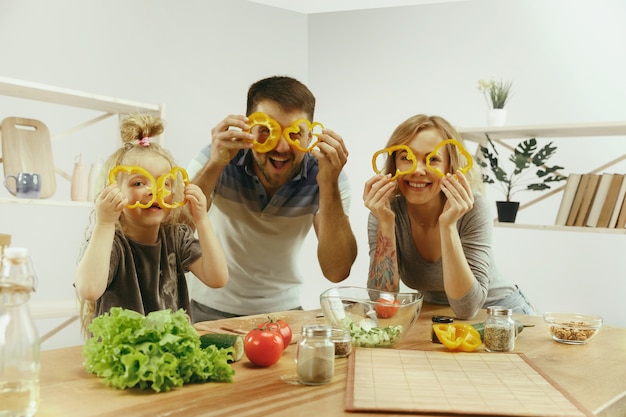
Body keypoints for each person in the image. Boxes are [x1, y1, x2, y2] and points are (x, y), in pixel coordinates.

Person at [187, 75, 358, 322]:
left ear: (310, 136)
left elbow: (337, 271)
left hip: (284, 311)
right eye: (267, 131)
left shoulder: (329, 175)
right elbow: (177, 230)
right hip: (208, 306)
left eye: (294, 134)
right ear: (248, 128)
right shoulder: (217, 156)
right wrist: (215, 164)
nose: (281, 147)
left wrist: (328, 185)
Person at [363, 114, 535, 319]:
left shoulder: (473, 208)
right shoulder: (385, 212)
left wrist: (448, 226)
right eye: (406, 157)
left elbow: (466, 308)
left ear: (450, 167)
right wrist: (385, 222)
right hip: (438, 316)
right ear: (394, 165)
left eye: (433, 159)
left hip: (501, 315)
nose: (417, 170)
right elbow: (382, 301)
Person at [74, 114, 228, 334]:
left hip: (168, 353)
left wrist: (201, 220)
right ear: (113, 190)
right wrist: (105, 223)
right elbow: (89, 289)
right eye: (138, 182)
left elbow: (218, 278)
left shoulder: (176, 237)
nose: (153, 191)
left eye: (164, 183)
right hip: (122, 356)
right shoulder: (110, 241)